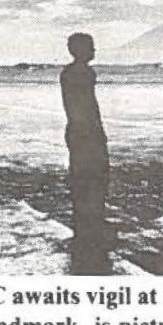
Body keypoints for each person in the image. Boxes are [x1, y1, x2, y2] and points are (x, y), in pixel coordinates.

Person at [59, 33, 111, 274]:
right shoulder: (83, 74)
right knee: (93, 180)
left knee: (83, 181)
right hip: (86, 133)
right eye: (91, 46)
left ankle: (85, 228)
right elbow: (88, 108)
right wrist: (96, 134)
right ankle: (91, 231)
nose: (94, 50)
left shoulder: (70, 73)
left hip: (78, 132)